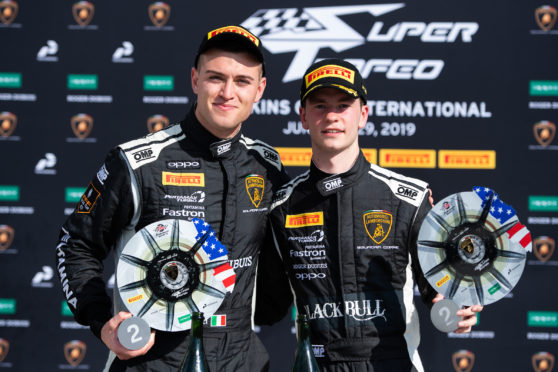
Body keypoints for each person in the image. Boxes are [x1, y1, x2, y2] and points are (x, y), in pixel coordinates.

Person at [55, 25, 289, 372]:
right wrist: (103, 322)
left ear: (260, 90)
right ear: (195, 80)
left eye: (242, 81)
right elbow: (74, 245)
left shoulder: (267, 165)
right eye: (215, 78)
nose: (228, 92)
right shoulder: (138, 163)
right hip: (154, 361)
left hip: (243, 360)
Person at [255, 59, 482, 371]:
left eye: (343, 105)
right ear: (303, 117)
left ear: (363, 114)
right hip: (317, 364)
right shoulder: (281, 208)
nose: (331, 116)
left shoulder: (408, 199)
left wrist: (457, 309)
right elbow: (265, 307)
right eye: (320, 106)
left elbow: (438, 291)